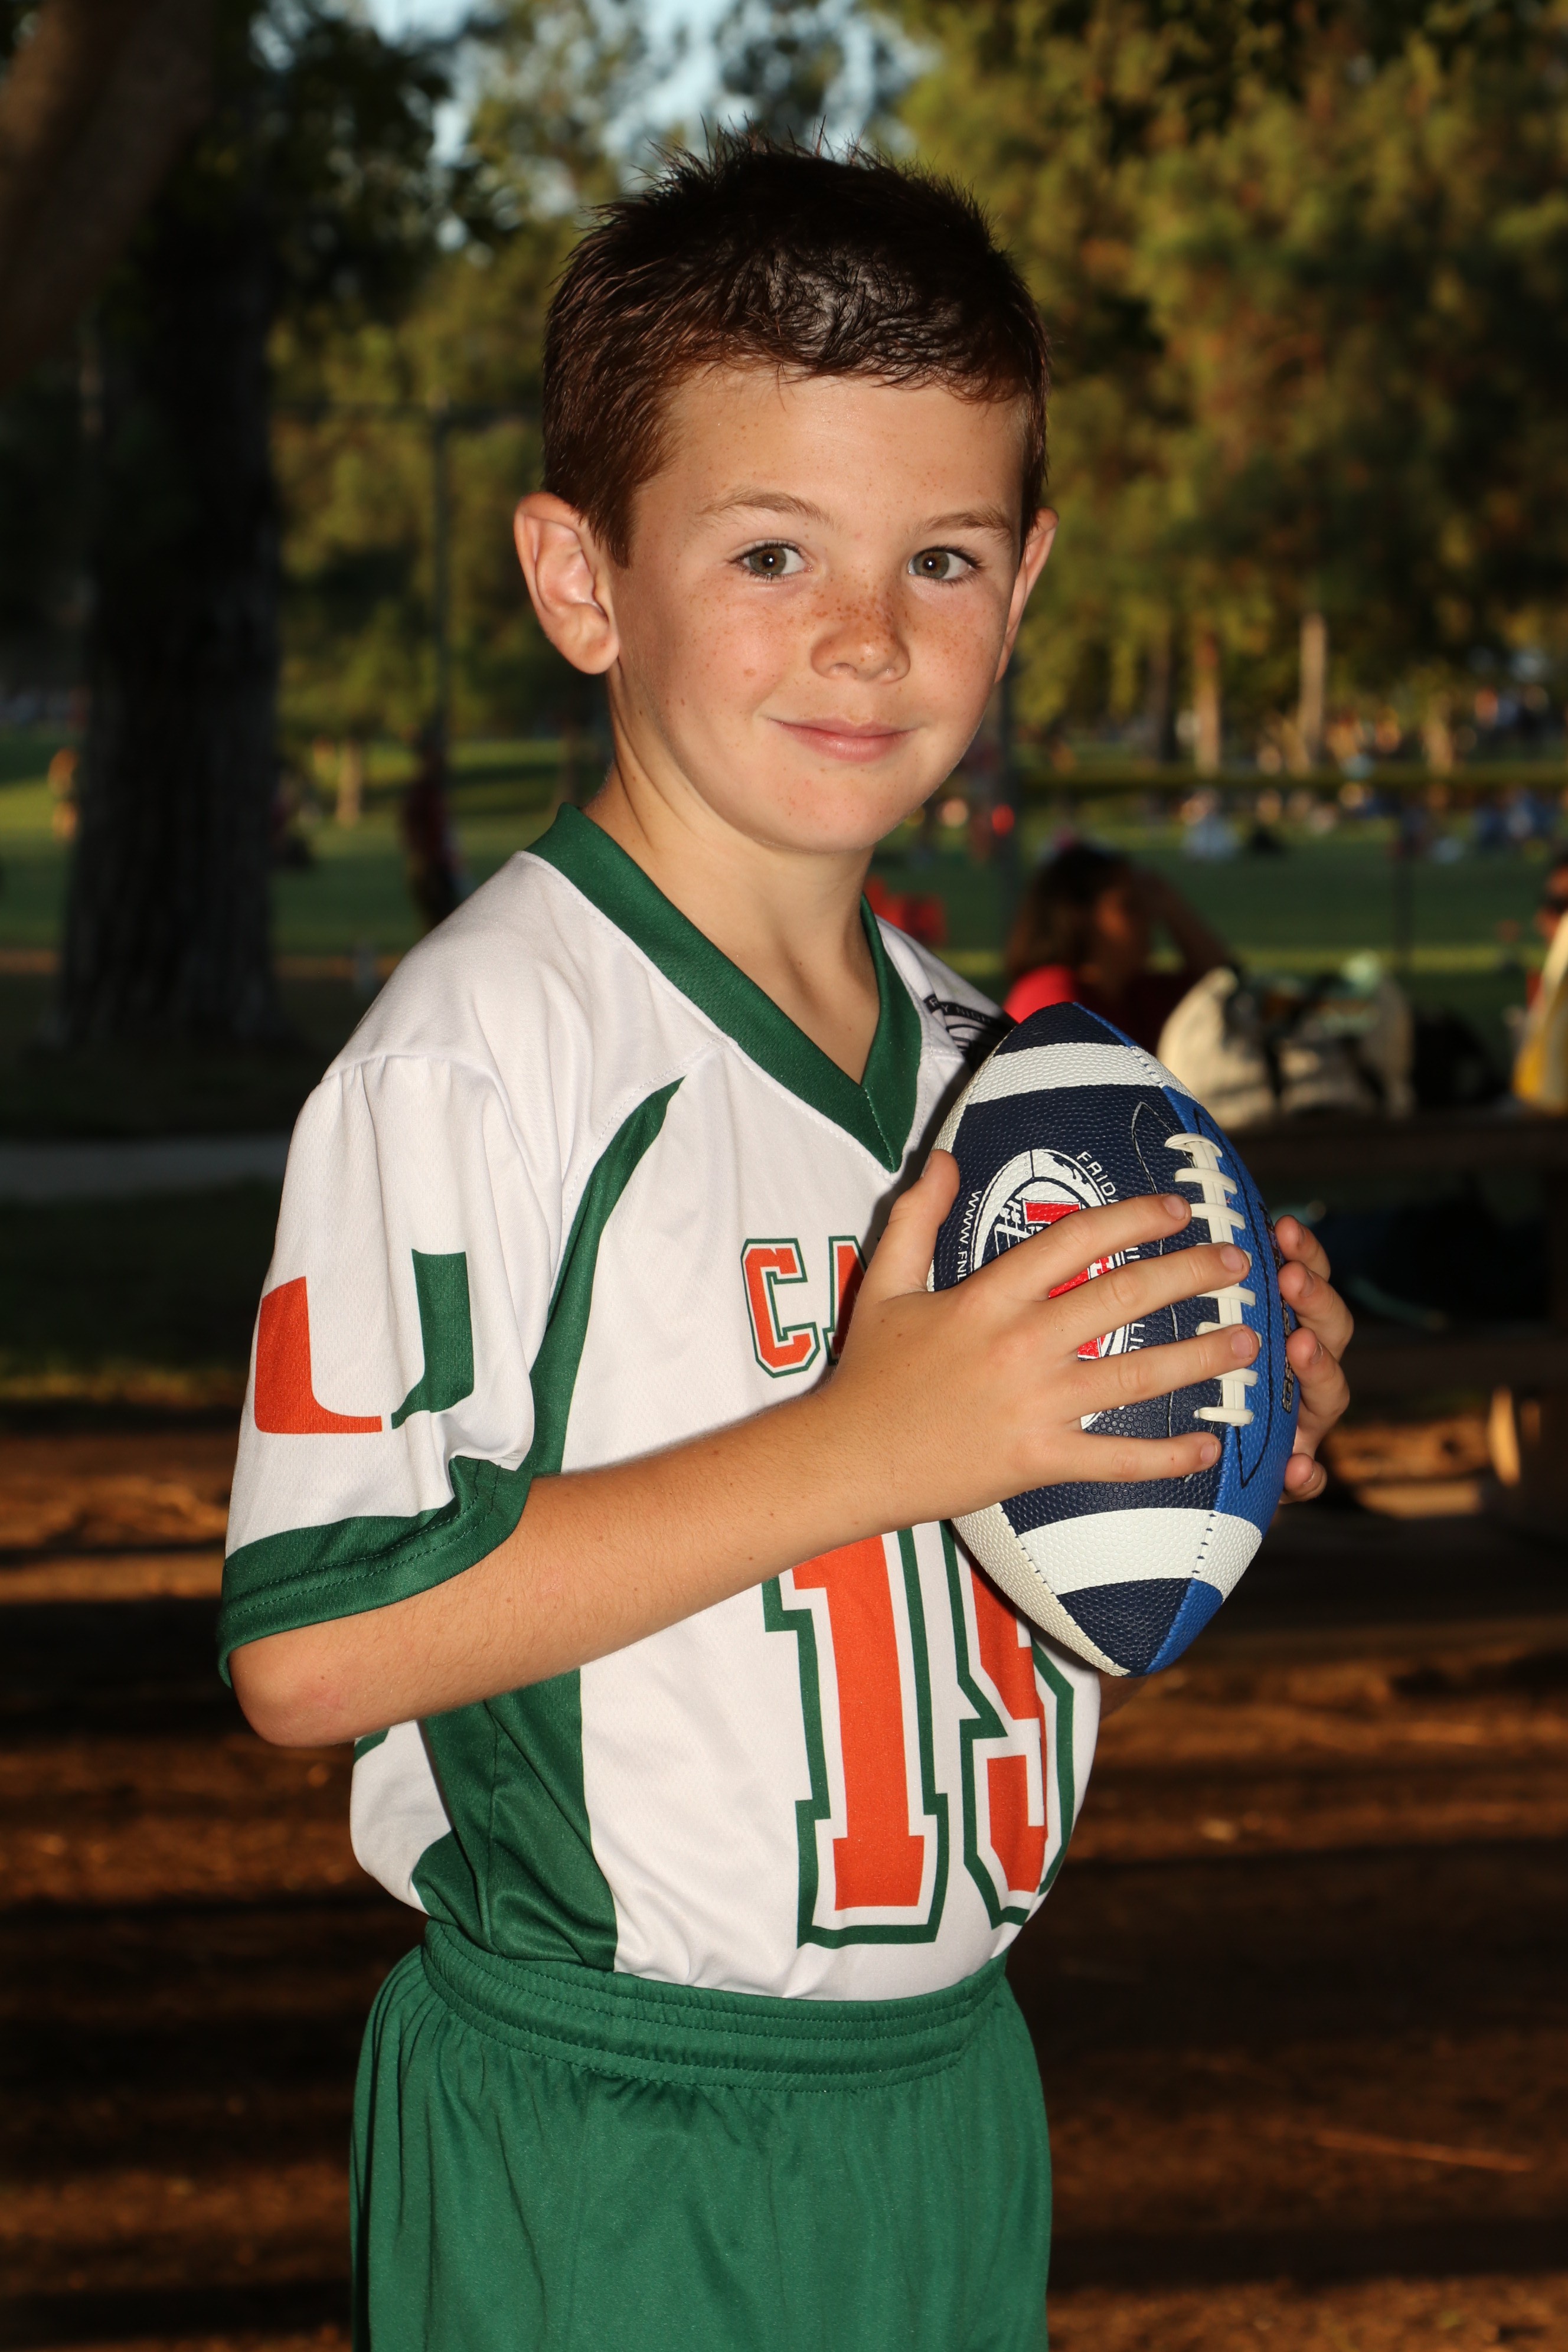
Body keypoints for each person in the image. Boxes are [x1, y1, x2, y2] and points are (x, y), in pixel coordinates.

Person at [220, 142, 1351, 2352]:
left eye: (941, 555)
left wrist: (1203, 1406)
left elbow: (1025, 1534)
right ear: (581, 578)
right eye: (771, 550)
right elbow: (315, 1649)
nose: (867, 632)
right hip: (604, 2124)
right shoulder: (484, 1053)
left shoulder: (1016, 1082)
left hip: (946, 2089)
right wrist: (873, 1442)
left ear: (1023, 579)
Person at [1004, 841, 1231, 1053]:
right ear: (1077, 916)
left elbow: (1222, 982)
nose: (1148, 917)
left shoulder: (1133, 995)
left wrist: (1170, 903)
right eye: (1130, 905)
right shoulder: (1051, 998)